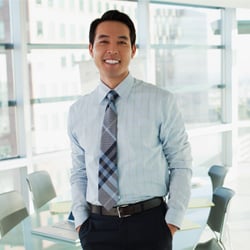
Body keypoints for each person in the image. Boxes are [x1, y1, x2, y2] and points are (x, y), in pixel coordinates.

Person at [68, 9, 192, 250]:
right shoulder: (77, 111)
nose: (112, 49)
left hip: (150, 226)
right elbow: (79, 171)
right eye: (103, 41)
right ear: (91, 49)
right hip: (95, 228)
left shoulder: (161, 102)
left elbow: (181, 163)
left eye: (121, 42)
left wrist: (172, 222)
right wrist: (81, 221)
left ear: (133, 50)